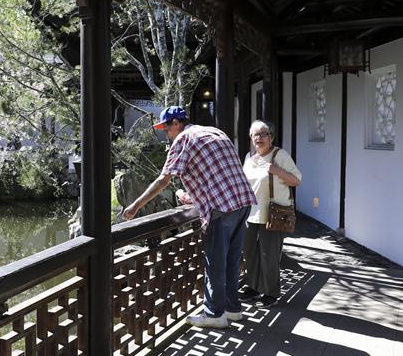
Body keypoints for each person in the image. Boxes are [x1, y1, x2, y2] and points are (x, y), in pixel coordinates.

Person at [124, 106, 256, 328]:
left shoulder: (184, 139)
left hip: (221, 208)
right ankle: (233, 309)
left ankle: (214, 314)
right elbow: (217, 174)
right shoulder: (215, 132)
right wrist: (194, 197)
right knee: (232, 260)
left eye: (166, 128)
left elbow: (164, 179)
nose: (166, 133)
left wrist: (135, 206)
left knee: (215, 262)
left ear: (176, 123)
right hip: (242, 201)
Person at [239, 120, 302, 308]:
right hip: (250, 213)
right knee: (249, 253)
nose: (259, 138)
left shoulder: (279, 155)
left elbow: (296, 180)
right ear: (251, 138)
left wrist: (277, 171)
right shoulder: (248, 157)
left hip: (273, 213)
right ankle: (253, 287)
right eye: (255, 135)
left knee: (269, 255)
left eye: (264, 134)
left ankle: (271, 292)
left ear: (271, 137)